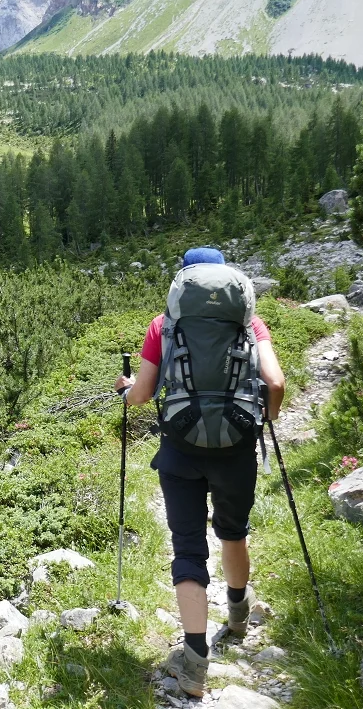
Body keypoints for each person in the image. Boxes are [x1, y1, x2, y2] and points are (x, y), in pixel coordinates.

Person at [114, 247, 285, 699]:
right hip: (236, 445)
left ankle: (194, 664)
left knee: (188, 547)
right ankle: (236, 614)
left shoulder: (162, 325)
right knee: (233, 531)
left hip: (181, 447)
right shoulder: (250, 323)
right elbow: (276, 383)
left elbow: (144, 394)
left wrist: (127, 389)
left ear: (183, 281)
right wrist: (265, 419)